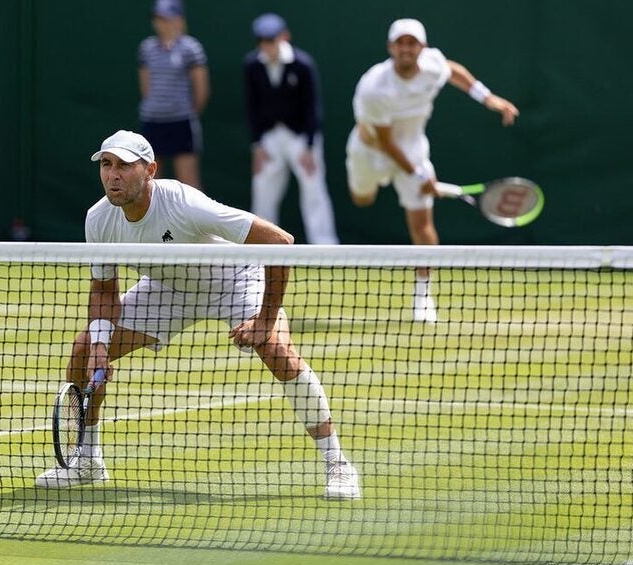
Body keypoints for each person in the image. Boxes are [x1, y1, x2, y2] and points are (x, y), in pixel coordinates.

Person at [34, 130, 361, 500]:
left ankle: (337, 463)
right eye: (107, 165)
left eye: (124, 165)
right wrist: (99, 346)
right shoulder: (99, 219)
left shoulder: (184, 203)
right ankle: (87, 460)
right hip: (167, 287)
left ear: (150, 170)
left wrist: (266, 319)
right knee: (82, 351)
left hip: (232, 280)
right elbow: (104, 290)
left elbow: (279, 242)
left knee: (277, 352)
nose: (113, 175)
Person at [345, 18, 519, 322]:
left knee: (422, 224)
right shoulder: (375, 88)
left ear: (422, 48)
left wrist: (487, 97)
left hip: (412, 147)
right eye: (400, 43)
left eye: (412, 43)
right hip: (372, 151)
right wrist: (419, 175)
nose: (406, 49)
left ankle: (423, 297)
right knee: (362, 200)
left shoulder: (433, 66)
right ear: (391, 48)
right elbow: (386, 142)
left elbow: (454, 71)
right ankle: (377, 184)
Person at [242, 13, 339, 245]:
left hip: (301, 138)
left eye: (271, 40)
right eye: (262, 41)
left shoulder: (302, 64)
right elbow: (251, 107)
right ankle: (261, 247)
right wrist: (257, 145)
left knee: (313, 191)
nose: (267, 46)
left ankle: (325, 247)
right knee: (263, 191)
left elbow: (312, 108)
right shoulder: (252, 65)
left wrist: (309, 147)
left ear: (284, 37)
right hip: (269, 139)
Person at [138, 0, 209, 189]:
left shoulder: (191, 48)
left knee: (189, 184)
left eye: (166, 18)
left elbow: (201, 88)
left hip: (181, 122)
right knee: (151, 184)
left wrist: (187, 111)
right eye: (158, 19)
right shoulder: (147, 48)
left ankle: (196, 220)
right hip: (152, 121)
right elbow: (145, 85)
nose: (161, 23)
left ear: (178, 20)